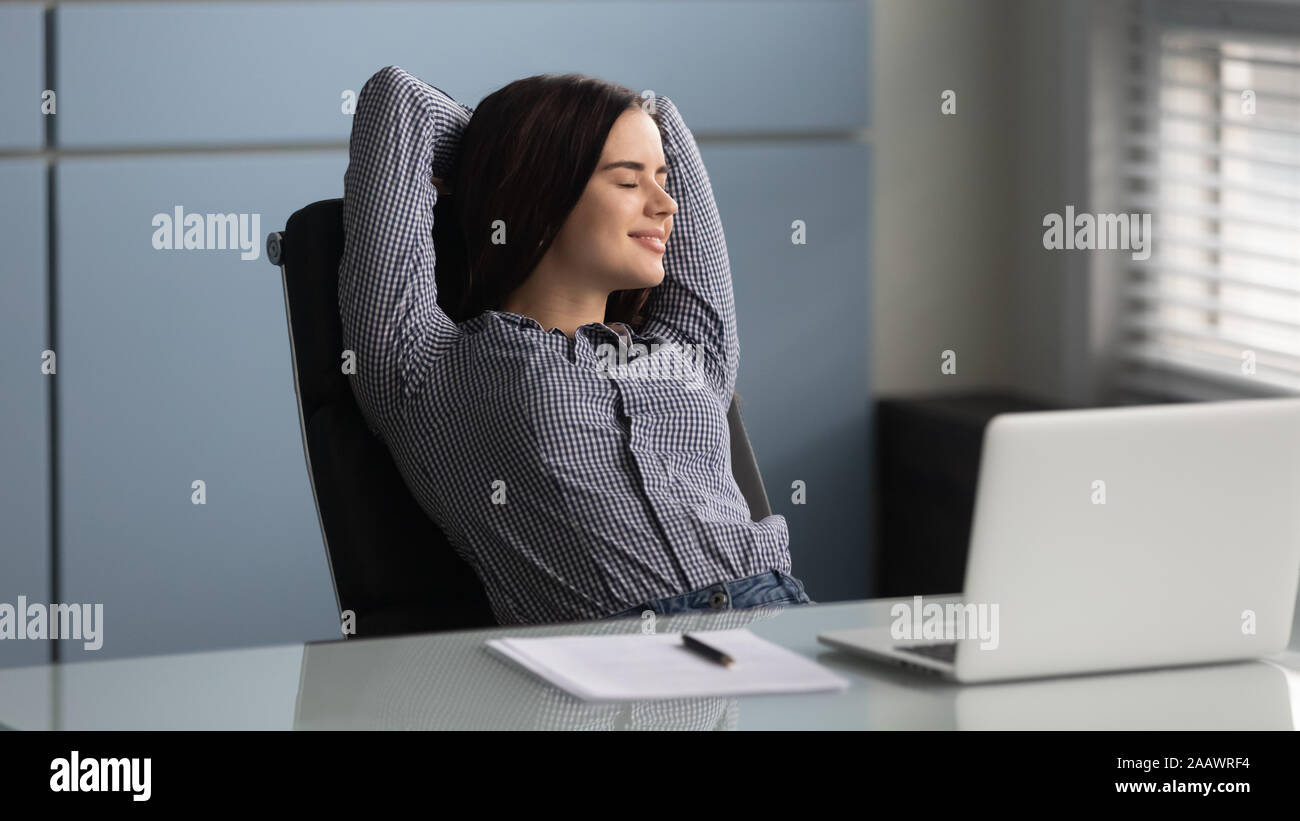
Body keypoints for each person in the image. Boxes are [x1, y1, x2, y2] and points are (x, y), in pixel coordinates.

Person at [339, 65, 813, 625]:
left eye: (660, 179)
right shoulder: (420, 364)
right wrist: (513, 153)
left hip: (781, 618)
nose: (667, 205)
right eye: (629, 181)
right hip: (615, 663)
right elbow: (397, 102)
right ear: (539, 193)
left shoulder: (688, 349)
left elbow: (670, 122)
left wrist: (550, 150)